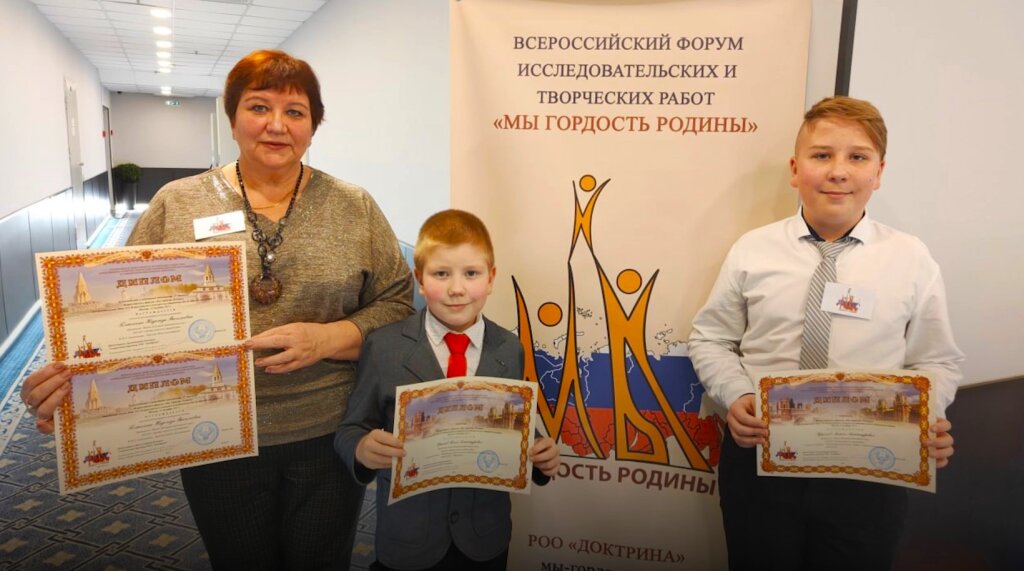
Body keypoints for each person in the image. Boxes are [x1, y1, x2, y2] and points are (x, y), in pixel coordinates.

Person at [20, 49, 414, 569]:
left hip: (331, 429)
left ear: (314, 125)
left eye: (295, 111)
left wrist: (329, 338)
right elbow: (118, 319)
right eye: (259, 107)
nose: (277, 125)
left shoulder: (353, 205)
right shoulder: (178, 202)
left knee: (321, 559)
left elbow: (397, 303)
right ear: (232, 118)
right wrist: (73, 394)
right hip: (209, 430)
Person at [688, 96, 964, 571]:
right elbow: (711, 338)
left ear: (879, 172)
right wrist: (736, 395)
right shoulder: (752, 251)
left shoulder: (911, 259)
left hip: (871, 471)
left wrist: (923, 416)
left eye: (857, 157)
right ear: (796, 170)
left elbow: (937, 359)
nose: (838, 171)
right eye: (821, 155)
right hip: (761, 460)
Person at [334, 209, 561, 571]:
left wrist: (540, 453)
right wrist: (362, 448)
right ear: (420, 280)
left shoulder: (509, 349)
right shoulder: (385, 347)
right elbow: (350, 429)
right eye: (441, 274)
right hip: (409, 536)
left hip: (484, 535)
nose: (457, 289)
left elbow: (514, 422)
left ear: (491, 278)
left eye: (471, 273)